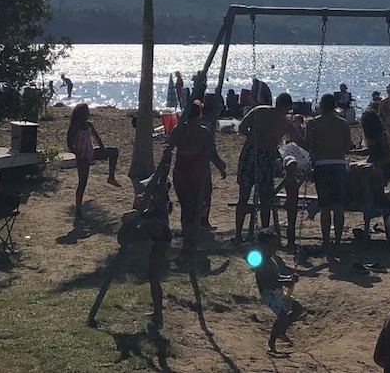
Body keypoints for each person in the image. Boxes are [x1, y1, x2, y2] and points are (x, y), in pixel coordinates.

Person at [236, 92, 294, 238]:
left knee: (244, 195)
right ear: (287, 107)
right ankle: (264, 232)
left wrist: (254, 138)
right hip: (265, 157)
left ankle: (238, 234)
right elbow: (299, 140)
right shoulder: (283, 122)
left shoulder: (259, 110)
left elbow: (242, 127)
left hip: (249, 152)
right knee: (265, 198)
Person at [118, 171, 173, 326]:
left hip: (161, 239)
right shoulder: (152, 206)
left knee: (153, 275)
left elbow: (162, 186)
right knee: (151, 275)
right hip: (155, 238)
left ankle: (158, 314)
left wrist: (166, 161)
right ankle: (157, 313)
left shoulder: (161, 204)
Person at [171, 100, 226, 253]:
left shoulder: (178, 130)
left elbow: (168, 150)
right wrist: (221, 167)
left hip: (181, 170)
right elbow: (212, 154)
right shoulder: (203, 132)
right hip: (195, 171)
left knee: (185, 205)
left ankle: (187, 237)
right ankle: (191, 239)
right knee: (195, 206)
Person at [306, 93, 355, 248]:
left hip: (322, 165)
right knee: (338, 207)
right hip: (338, 164)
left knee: (325, 207)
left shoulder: (313, 123)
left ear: (321, 105)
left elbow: (309, 145)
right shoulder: (343, 124)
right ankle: (338, 240)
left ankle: (326, 240)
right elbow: (347, 147)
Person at [252, 231, 306, 353]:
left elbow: (276, 276)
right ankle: (272, 342)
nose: (274, 247)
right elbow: (270, 281)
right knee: (282, 315)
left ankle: (282, 331)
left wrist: (288, 279)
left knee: (297, 309)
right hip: (269, 293)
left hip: (277, 290)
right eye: (271, 245)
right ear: (262, 245)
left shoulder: (271, 259)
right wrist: (287, 281)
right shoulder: (262, 262)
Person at [66, 104, 120, 218]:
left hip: (91, 152)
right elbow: (70, 144)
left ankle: (111, 177)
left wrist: (102, 148)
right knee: (82, 183)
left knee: (114, 152)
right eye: (86, 112)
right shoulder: (74, 127)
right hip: (82, 157)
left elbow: (97, 137)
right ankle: (78, 209)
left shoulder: (89, 125)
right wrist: (76, 152)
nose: (88, 114)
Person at [280, 157, 305, 248]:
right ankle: (290, 242)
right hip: (291, 203)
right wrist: (303, 178)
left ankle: (291, 241)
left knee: (292, 223)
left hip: (292, 202)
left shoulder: (289, 178)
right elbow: (295, 188)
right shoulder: (289, 178)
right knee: (291, 223)